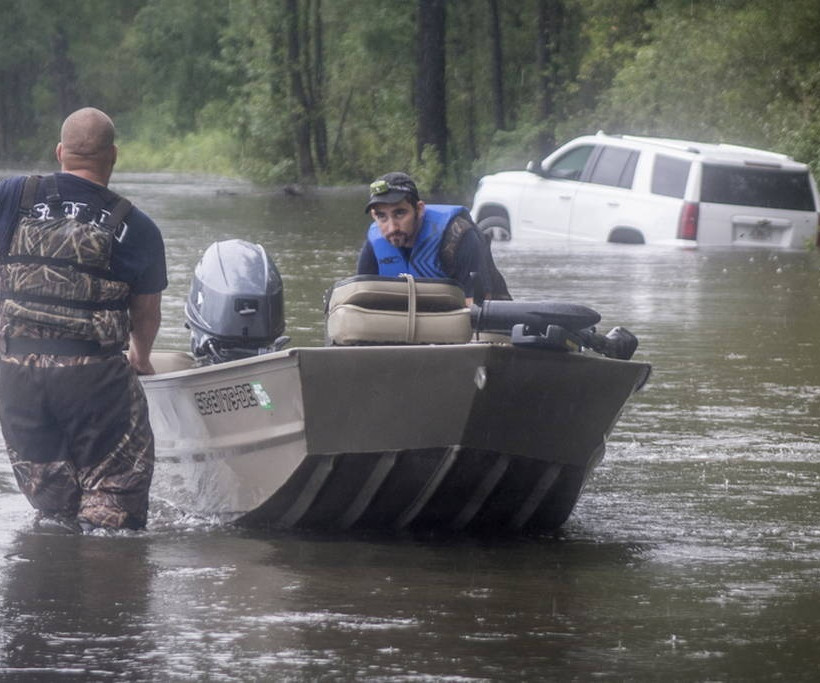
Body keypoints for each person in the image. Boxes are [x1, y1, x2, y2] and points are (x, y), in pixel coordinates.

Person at [0, 107, 167, 533]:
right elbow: (146, 312)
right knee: (112, 513)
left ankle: (49, 591)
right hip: (93, 378)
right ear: (113, 155)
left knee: (55, 512)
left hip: (15, 377)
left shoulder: (12, 195)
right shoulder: (136, 226)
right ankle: (104, 592)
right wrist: (141, 357)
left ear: (60, 152)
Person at [357, 171, 511, 304]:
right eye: (381, 216)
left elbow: (479, 306)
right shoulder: (374, 243)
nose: (392, 228)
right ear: (373, 215)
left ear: (419, 209)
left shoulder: (457, 235)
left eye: (400, 213)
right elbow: (360, 300)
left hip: (484, 318)